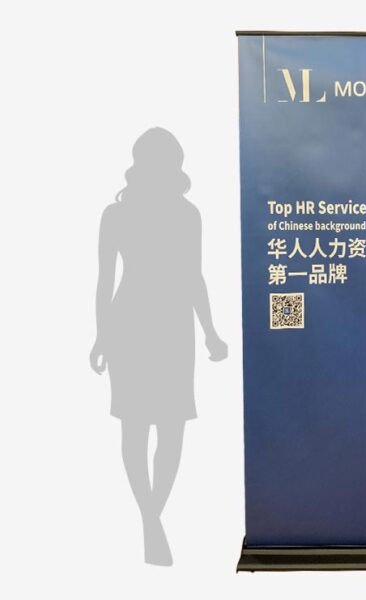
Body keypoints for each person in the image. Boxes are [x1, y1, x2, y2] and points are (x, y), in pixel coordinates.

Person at [89, 127, 227, 565]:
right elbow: (104, 281)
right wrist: (101, 335)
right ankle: (152, 524)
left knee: (168, 426)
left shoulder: (187, 215)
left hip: (168, 326)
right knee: (140, 426)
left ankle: (151, 521)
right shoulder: (117, 215)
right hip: (140, 325)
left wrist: (210, 331)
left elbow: (195, 277)